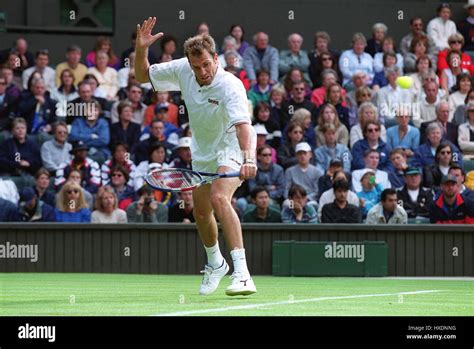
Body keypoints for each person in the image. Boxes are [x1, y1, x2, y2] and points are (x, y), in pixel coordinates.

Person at [135, 17, 257, 296]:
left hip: (231, 148)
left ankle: (242, 274)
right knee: (201, 212)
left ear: (216, 58)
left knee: (218, 197)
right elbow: (142, 77)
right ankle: (216, 264)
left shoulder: (231, 85)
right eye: (196, 66)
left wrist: (249, 159)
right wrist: (141, 49)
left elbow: (244, 127)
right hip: (202, 153)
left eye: (206, 64)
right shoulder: (183, 69)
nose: (202, 71)